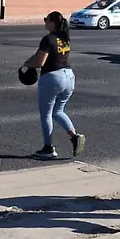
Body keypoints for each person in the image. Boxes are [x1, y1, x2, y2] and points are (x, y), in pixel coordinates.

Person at [23, 11, 85, 159]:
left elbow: (39, 62)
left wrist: (25, 65)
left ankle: (48, 148)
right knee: (58, 111)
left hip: (52, 77)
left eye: (46, 19)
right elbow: (40, 55)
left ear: (52, 23)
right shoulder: (64, 38)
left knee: (46, 114)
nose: (45, 22)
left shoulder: (48, 39)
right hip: (69, 77)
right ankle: (74, 136)